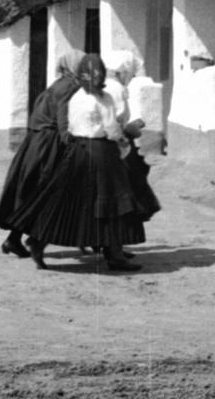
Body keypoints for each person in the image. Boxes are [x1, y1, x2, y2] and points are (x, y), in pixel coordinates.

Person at [14, 53, 146, 272]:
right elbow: (111, 129)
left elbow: (70, 124)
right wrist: (127, 135)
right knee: (113, 202)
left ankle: (39, 240)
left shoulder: (75, 97)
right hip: (102, 152)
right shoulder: (105, 98)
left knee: (68, 202)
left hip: (78, 152)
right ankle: (114, 255)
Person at [0, 51, 81, 259]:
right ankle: (25, 239)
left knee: (31, 190)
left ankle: (14, 239)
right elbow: (63, 118)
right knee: (44, 191)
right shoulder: (70, 87)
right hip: (48, 144)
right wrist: (70, 141)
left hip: (35, 141)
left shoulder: (56, 85)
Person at [104, 50, 159, 234]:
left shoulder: (105, 86)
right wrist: (131, 129)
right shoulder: (117, 89)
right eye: (130, 74)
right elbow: (115, 123)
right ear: (124, 71)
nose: (131, 77)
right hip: (119, 147)